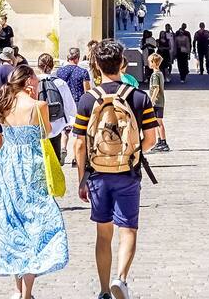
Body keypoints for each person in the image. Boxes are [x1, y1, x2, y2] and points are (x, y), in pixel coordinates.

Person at [70, 39, 162, 299]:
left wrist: (82, 179)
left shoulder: (88, 99)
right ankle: (120, 279)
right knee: (128, 229)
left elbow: (79, 144)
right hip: (127, 173)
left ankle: (103, 290)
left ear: (97, 65)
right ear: (123, 63)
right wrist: (132, 154)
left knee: (103, 233)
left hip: (97, 174)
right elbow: (151, 139)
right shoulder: (139, 97)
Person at [0, 63, 71, 298]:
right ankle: (27, 293)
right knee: (36, 225)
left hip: (9, 166)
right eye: (35, 79)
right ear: (28, 81)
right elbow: (46, 132)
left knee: (13, 226)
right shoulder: (39, 106)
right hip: (32, 167)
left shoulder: (3, 104)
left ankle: (18, 292)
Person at [34, 54, 79, 159]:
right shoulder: (60, 83)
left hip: (37, 126)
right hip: (56, 126)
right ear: (52, 66)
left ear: (38, 66)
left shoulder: (33, 82)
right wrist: (69, 120)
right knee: (55, 159)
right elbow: (69, 105)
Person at [144, 54, 170, 153]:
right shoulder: (160, 73)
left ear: (154, 63)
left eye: (150, 62)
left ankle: (163, 142)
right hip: (160, 101)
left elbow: (156, 88)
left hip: (157, 102)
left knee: (159, 123)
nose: (148, 64)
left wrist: (151, 101)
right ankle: (160, 141)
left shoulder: (155, 75)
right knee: (157, 122)